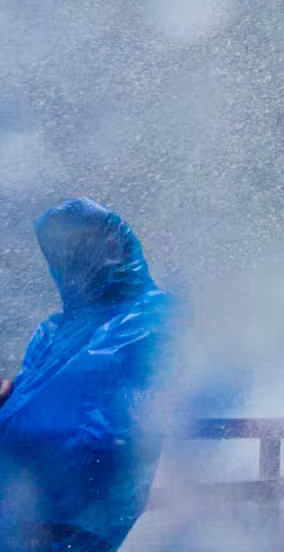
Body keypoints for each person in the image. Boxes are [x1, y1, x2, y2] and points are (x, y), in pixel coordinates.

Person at [0, 198, 176, 552]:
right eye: (63, 247)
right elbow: (36, 400)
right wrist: (14, 393)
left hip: (84, 504)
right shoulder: (52, 332)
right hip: (28, 502)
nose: (71, 256)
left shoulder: (155, 315)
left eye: (82, 242)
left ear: (116, 243)